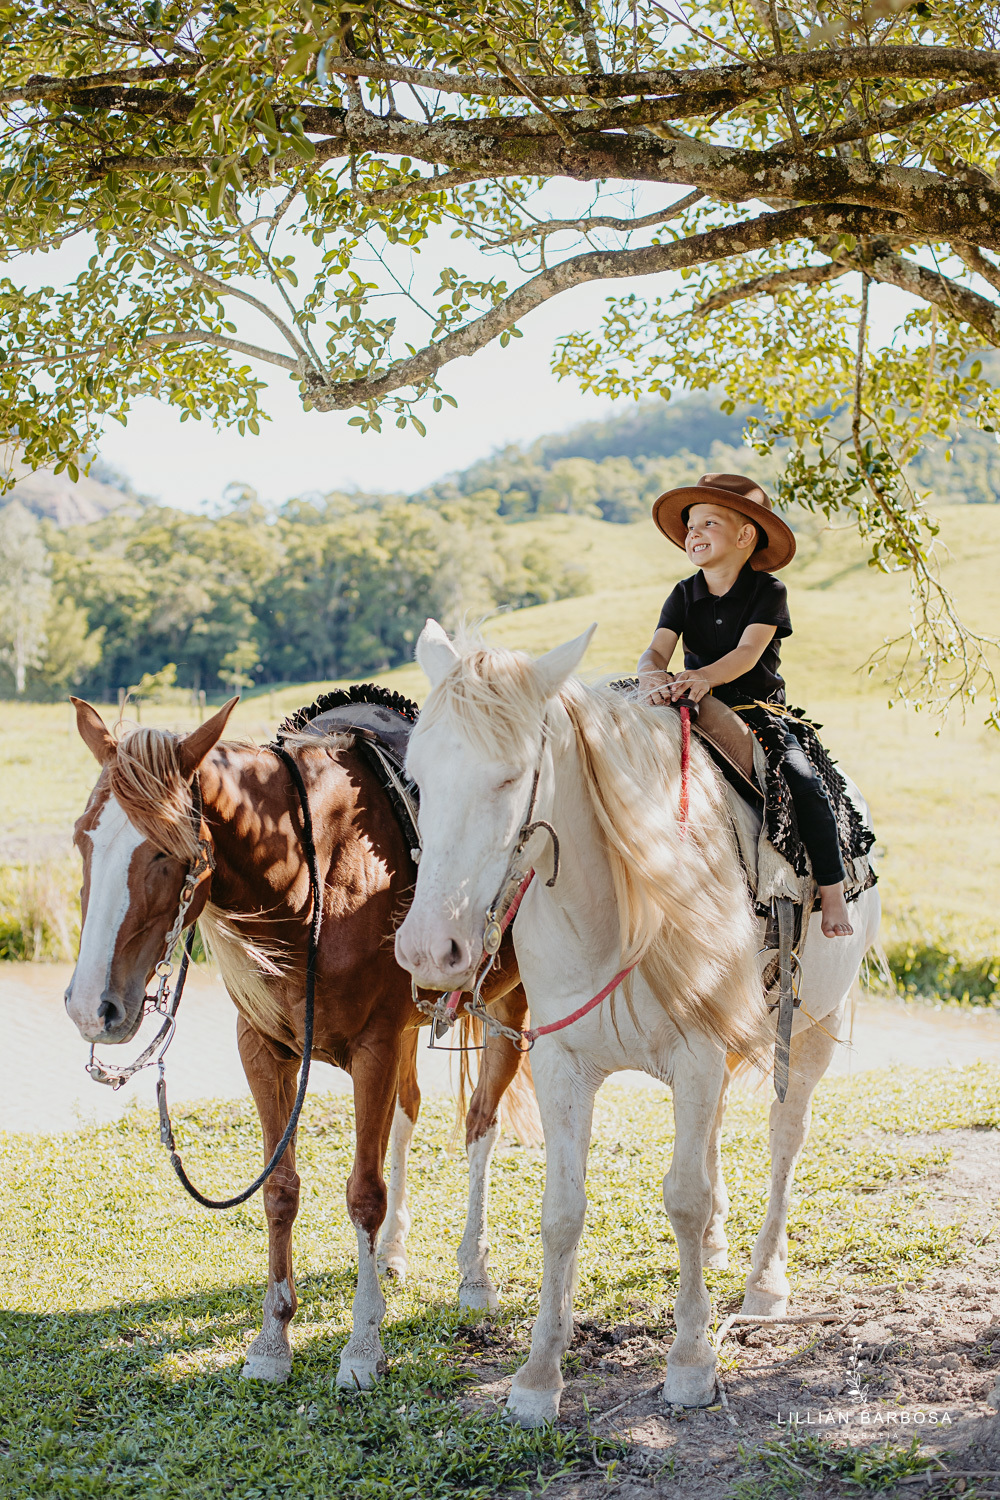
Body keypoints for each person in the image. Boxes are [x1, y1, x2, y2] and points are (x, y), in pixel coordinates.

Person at [637, 471, 854, 938]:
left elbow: (747, 653)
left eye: (708, 523)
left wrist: (700, 676)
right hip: (690, 698)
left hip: (755, 708)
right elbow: (656, 650)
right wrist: (652, 674)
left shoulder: (768, 592)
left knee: (801, 779)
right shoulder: (682, 593)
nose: (694, 532)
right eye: (690, 524)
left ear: (745, 535)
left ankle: (832, 889)